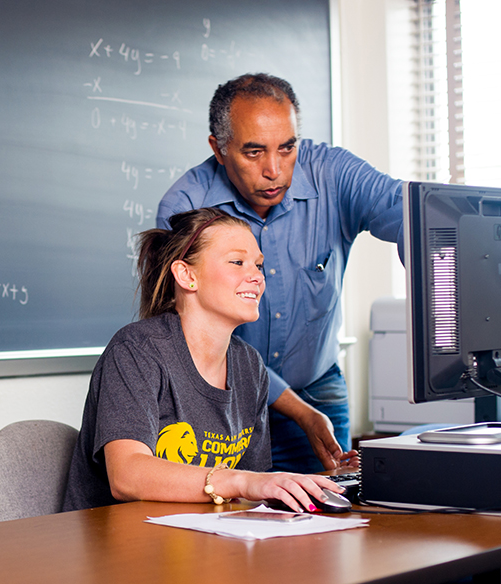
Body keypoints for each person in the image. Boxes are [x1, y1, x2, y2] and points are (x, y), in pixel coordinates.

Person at [157, 73, 404, 474]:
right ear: (219, 150)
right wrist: (300, 412)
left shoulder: (333, 174)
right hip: (229, 402)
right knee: (239, 525)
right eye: (254, 153)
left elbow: (410, 214)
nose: (274, 170)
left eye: (287, 148)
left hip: (320, 389)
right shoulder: (185, 207)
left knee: (333, 524)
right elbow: (204, 335)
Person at [63, 208, 346, 513]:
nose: (257, 277)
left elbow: (249, 495)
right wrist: (238, 481)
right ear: (187, 275)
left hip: (196, 544)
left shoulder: (249, 365)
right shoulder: (136, 350)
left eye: (259, 265)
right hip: (118, 549)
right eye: (237, 262)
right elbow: (126, 476)